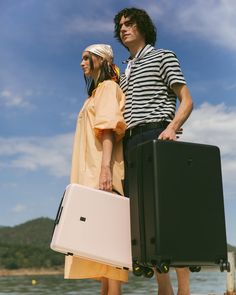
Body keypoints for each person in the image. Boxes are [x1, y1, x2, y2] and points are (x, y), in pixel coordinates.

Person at [114, 7, 194, 295]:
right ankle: (164, 289)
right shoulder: (125, 70)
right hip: (130, 143)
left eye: (129, 23)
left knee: (167, 215)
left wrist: (171, 127)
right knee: (143, 220)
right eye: (120, 25)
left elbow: (186, 100)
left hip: (157, 135)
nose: (123, 29)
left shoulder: (163, 56)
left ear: (143, 27)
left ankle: (184, 288)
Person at [64, 44, 128, 295]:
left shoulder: (108, 88)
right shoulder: (95, 94)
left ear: (100, 60)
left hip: (101, 171)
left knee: (108, 247)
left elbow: (109, 128)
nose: (81, 63)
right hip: (89, 173)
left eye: (86, 58)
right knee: (98, 247)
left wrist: (105, 170)